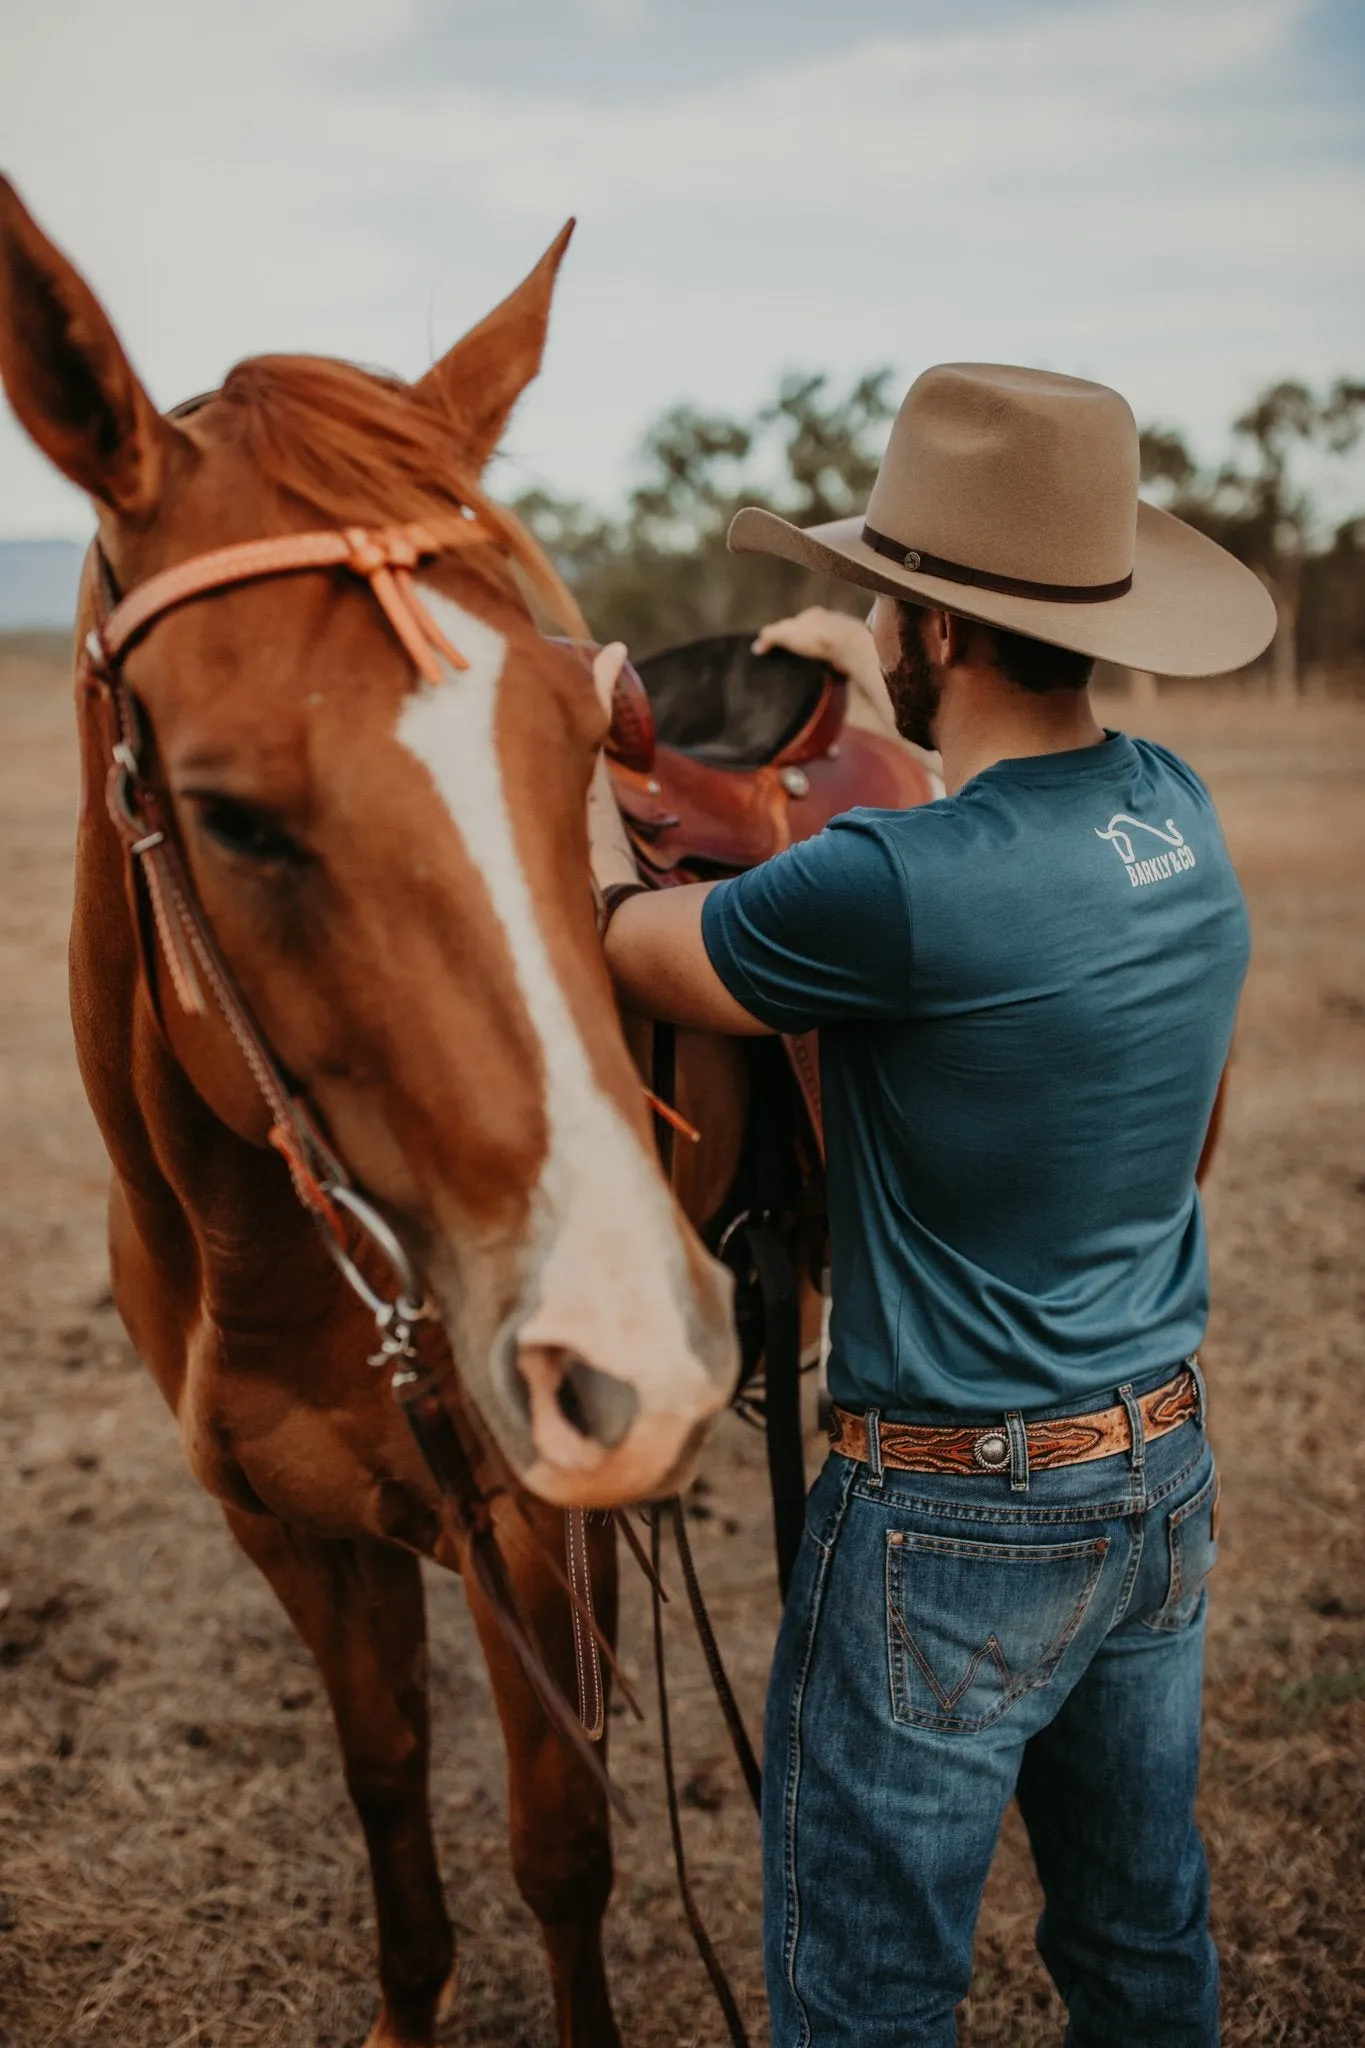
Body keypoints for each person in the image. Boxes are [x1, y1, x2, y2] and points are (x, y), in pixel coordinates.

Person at [589, 361, 1275, 2047]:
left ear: (940, 632)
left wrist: (578, 778)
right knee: (1138, 1941)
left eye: (896, 599)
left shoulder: (890, 891)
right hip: (1157, 1475)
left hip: (953, 1517)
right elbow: (998, 848)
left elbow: (637, 943)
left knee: (873, 1996)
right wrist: (891, 724)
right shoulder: (1174, 817)